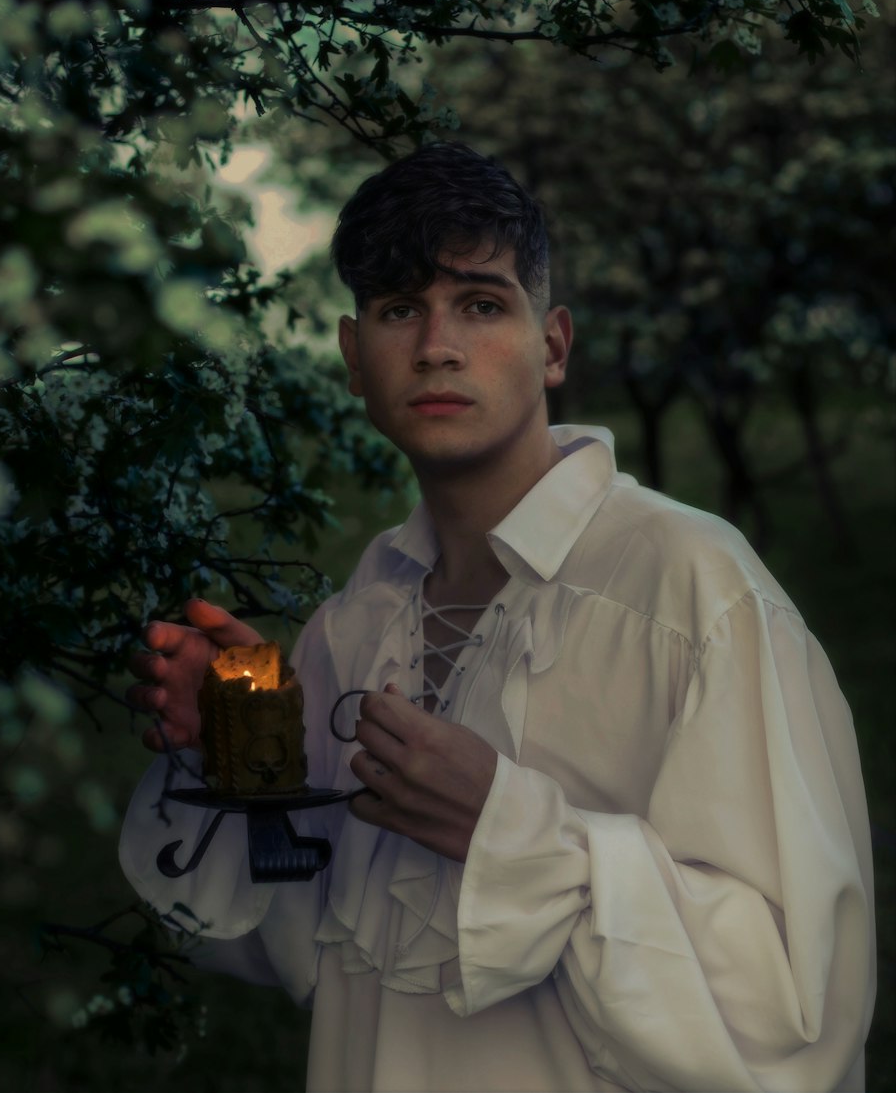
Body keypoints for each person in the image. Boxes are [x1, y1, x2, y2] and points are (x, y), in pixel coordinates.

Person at [120, 143, 875, 1092]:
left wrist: (512, 832)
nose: (438, 345)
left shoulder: (693, 591)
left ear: (552, 344)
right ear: (355, 358)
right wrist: (238, 754)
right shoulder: (355, 623)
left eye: (481, 304)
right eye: (400, 309)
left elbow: (798, 1020)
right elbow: (292, 946)